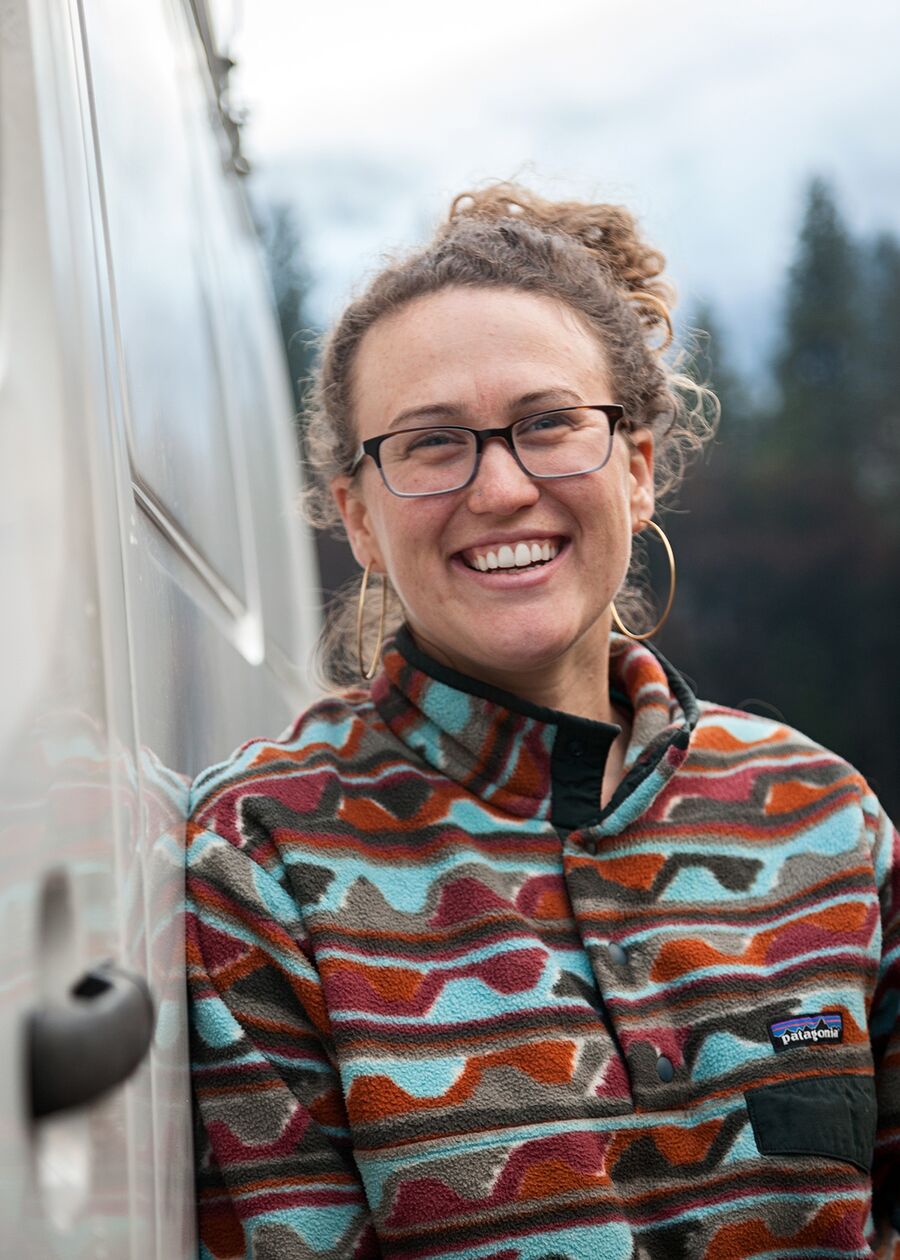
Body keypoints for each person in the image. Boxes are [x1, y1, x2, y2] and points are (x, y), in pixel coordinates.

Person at [186, 183, 900, 1260]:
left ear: (639, 469)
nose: (503, 487)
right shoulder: (259, 861)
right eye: (433, 443)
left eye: (548, 424)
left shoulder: (823, 822)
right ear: (360, 518)